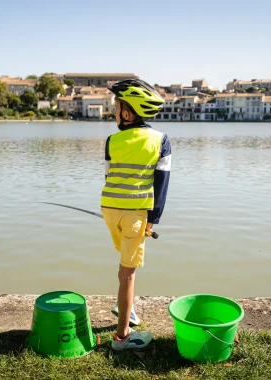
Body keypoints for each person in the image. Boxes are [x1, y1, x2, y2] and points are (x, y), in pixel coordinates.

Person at [101, 79, 171, 351]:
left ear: (128, 113)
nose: (114, 112)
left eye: (117, 107)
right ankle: (122, 337)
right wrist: (153, 219)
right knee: (129, 274)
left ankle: (125, 307)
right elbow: (161, 184)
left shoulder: (112, 140)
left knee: (124, 266)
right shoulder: (161, 140)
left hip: (109, 210)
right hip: (135, 215)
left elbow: (109, 176)